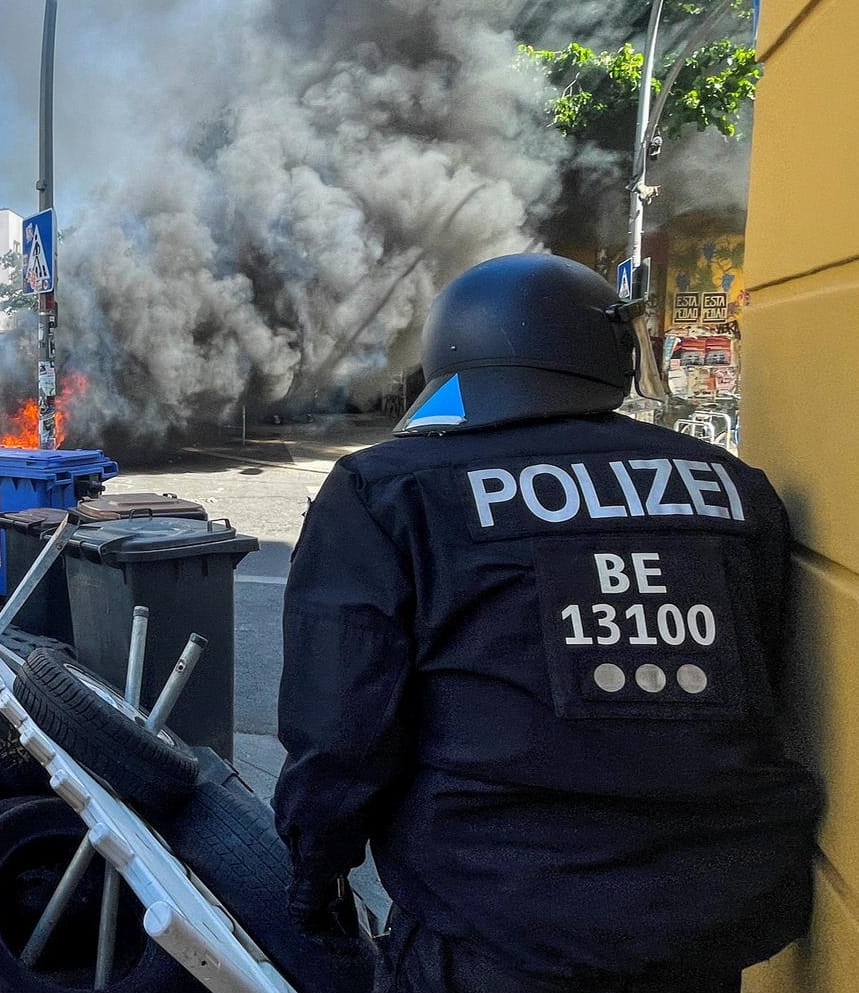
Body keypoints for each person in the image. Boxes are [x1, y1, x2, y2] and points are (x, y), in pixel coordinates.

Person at [274, 253, 821, 993]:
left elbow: (339, 727)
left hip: (495, 920)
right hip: (707, 920)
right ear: (607, 354)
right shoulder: (732, 490)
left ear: (455, 353)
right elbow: (764, 672)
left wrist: (315, 876)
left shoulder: (390, 489)